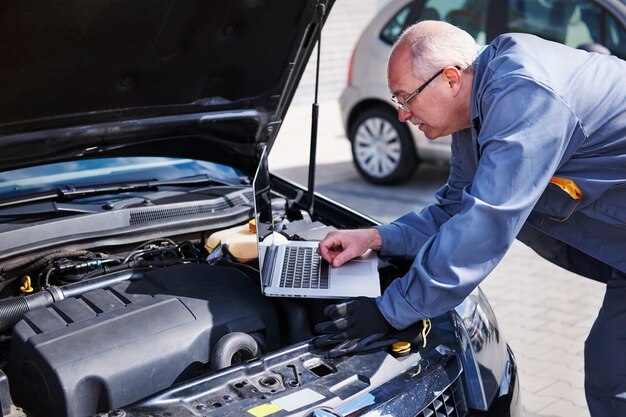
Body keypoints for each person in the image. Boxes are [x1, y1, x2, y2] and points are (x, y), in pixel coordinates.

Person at [315, 20, 626, 417]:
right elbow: (456, 208)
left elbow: (484, 224)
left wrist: (389, 310)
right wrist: (375, 238)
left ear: (449, 78)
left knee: (614, 375)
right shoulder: (479, 106)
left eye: (405, 98)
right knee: (612, 371)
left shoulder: (526, 94)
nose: (402, 116)